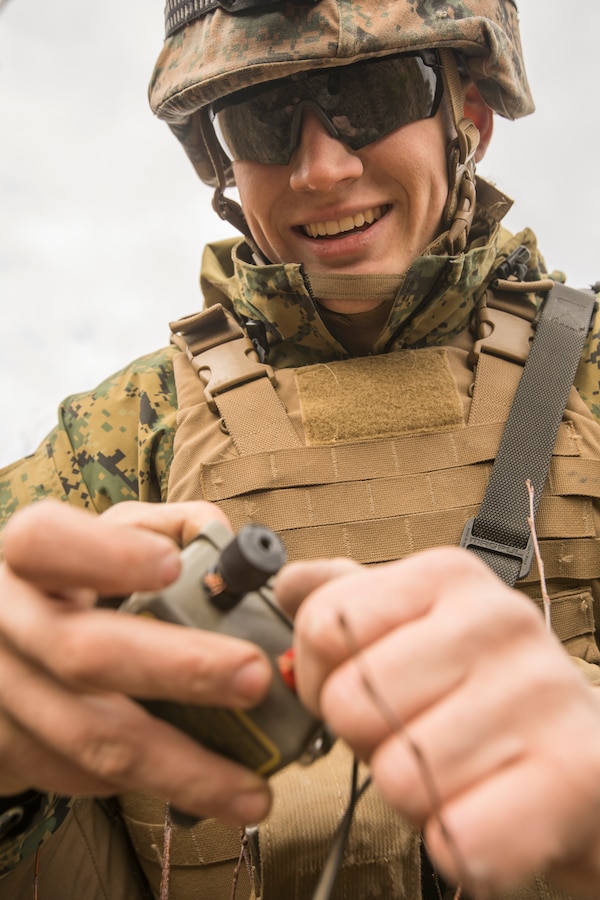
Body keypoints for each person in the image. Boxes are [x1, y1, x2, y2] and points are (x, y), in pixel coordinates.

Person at [1, 1, 600, 898]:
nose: (322, 169)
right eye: (263, 117)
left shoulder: (588, 378)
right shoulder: (117, 439)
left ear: (468, 114)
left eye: (375, 92)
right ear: (222, 160)